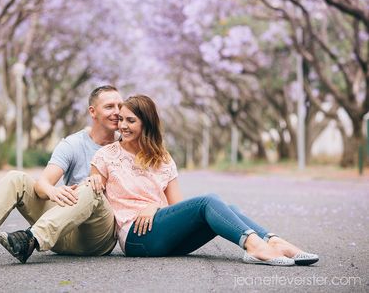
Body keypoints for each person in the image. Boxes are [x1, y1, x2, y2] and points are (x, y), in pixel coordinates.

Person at [90, 95, 319, 266]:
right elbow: (93, 190)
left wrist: (154, 207)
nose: (122, 126)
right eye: (121, 120)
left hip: (163, 234)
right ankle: (255, 246)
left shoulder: (163, 159)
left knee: (228, 210)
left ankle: (273, 240)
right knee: (208, 202)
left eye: (130, 121)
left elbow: (176, 205)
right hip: (135, 238)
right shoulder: (106, 155)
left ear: (146, 124)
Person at [0, 85, 123, 263]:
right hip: (59, 233)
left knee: (91, 185)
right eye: (109, 107)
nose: (117, 112)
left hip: (97, 237)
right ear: (93, 112)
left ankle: (31, 238)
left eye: (120, 106)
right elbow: (42, 185)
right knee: (16, 178)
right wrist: (52, 191)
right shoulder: (73, 144)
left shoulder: (128, 145)